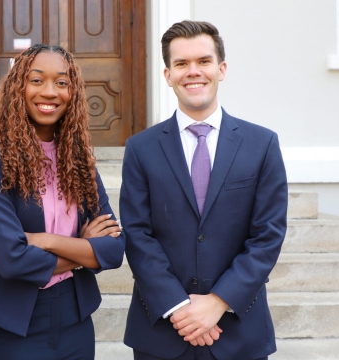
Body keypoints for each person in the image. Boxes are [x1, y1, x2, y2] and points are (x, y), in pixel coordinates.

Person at [121, 20, 288, 360]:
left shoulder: (262, 144)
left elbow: (268, 235)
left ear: (221, 69)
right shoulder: (140, 148)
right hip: (163, 332)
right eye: (181, 63)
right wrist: (179, 308)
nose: (193, 72)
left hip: (239, 330)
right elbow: (138, 235)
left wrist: (218, 302)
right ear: (168, 75)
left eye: (203, 61)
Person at [0, 43, 125, 360]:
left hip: (75, 316)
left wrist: (43, 240)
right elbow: (11, 260)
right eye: (36, 80)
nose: (50, 91)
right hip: (15, 320)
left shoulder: (79, 159)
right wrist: (83, 250)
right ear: (18, 87)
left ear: (74, 92)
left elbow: (113, 249)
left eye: (62, 82)